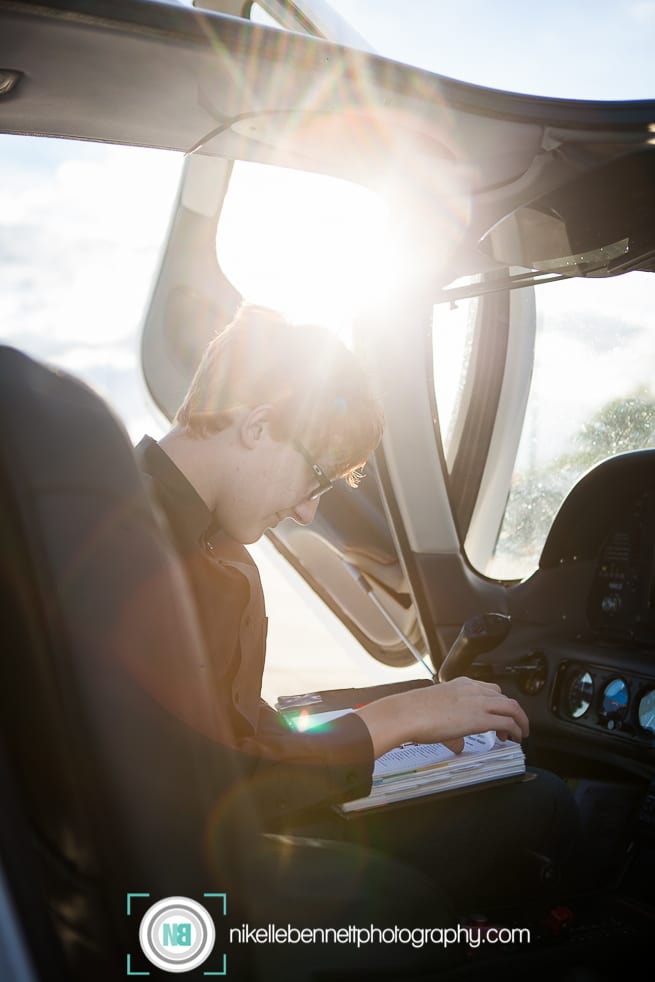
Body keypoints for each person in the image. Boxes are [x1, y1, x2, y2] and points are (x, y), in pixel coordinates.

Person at [136, 302, 579, 911]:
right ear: (258, 426)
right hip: (211, 884)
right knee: (543, 800)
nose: (306, 511)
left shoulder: (146, 525)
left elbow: (213, 730)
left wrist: (393, 714)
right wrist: (395, 723)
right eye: (315, 478)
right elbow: (216, 784)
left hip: (203, 857)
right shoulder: (149, 558)